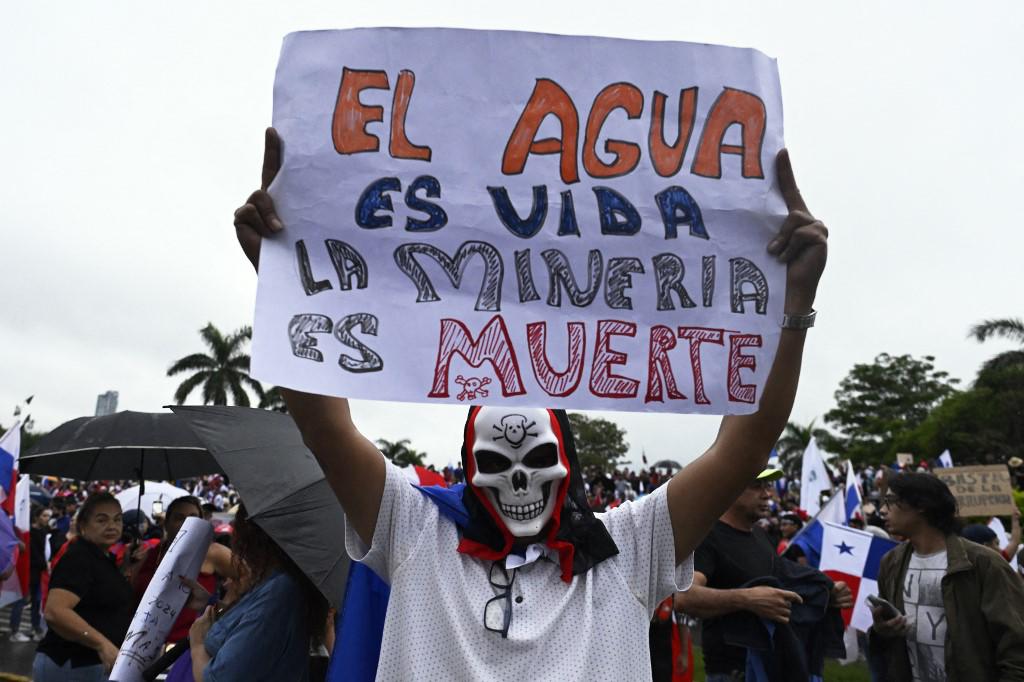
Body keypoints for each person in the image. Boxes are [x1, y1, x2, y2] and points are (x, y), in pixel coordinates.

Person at [232, 128, 828, 678]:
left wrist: (794, 304)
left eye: (536, 457)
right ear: (468, 470)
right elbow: (327, 431)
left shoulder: (630, 546)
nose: (519, 479)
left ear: (567, 464)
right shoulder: (415, 532)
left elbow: (743, 447)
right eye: (495, 462)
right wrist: (284, 280)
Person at [676, 470, 852, 680]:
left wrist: (826, 593)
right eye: (756, 485)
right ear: (729, 489)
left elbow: (782, 585)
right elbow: (684, 597)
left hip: (773, 666)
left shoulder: (761, 536)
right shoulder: (707, 536)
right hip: (731, 672)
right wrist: (747, 599)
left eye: (768, 486)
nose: (767, 494)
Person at [870, 473, 1024, 681]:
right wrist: (882, 630)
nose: (882, 510)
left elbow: (1015, 647)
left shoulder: (984, 564)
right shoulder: (891, 562)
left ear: (921, 505)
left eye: (890, 502)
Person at [187, 503, 328, 682]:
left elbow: (219, 678)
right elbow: (249, 623)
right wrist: (211, 604)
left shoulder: (281, 590)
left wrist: (197, 646)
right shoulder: (275, 583)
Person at [34, 493, 135, 680]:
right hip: (72, 665)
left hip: (89, 666)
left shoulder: (104, 558)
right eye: (102, 520)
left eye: (117, 519)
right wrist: (101, 644)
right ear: (83, 525)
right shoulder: (79, 557)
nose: (112, 526)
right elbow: (55, 611)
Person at [131, 495, 236, 643]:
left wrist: (225, 604)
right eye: (179, 517)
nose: (187, 522)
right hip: (142, 645)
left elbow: (252, 578)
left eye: (193, 517)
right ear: (166, 523)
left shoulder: (211, 551)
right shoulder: (151, 554)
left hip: (188, 649)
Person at [8, 505, 52, 642]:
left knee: (37, 601)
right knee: (21, 601)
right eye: (44, 516)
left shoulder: (44, 531)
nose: (47, 519)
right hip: (28, 571)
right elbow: (32, 554)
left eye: (48, 516)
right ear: (37, 517)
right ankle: (14, 631)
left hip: (39, 573)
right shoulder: (28, 533)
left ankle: (36, 627)